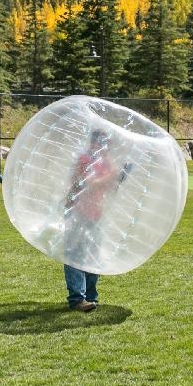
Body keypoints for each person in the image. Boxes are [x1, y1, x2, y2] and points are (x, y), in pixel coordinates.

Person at [60, 128, 130, 312]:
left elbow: (110, 187)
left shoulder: (106, 162)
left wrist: (121, 176)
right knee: (74, 254)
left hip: (96, 213)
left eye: (107, 143)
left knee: (92, 255)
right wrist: (114, 175)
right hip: (77, 212)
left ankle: (90, 297)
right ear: (94, 143)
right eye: (102, 143)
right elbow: (88, 183)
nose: (105, 147)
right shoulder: (84, 159)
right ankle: (77, 298)